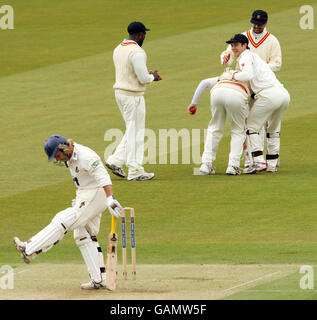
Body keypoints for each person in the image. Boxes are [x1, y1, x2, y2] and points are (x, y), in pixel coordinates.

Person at [13, 135, 123, 290]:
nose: (57, 159)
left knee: (63, 219)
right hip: (84, 194)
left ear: (64, 147)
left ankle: (29, 248)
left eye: (57, 155)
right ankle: (99, 279)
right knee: (82, 235)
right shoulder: (70, 157)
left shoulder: (86, 155)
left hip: (96, 193)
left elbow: (102, 175)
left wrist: (110, 198)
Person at [220, 10, 282, 171]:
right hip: (246, 88)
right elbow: (229, 52)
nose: (256, 26)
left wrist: (259, 70)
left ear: (266, 23)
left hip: (263, 87)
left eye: (259, 24)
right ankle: (250, 161)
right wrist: (224, 57)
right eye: (254, 23)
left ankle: (271, 163)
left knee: (268, 125)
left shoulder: (272, 41)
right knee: (249, 124)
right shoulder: (243, 37)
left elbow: (277, 63)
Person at [106, 21, 162, 181]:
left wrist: (147, 74)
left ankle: (115, 160)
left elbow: (131, 72)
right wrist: (153, 77)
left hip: (121, 93)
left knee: (132, 129)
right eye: (144, 34)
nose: (144, 36)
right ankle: (135, 169)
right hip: (132, 96)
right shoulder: (137, 51)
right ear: (139, 35)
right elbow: (143, 78)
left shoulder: (119, 48)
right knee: (135, 131)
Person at [187, 67, 251, 175]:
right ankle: (233, 165)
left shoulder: (226, 75)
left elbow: (204, 83)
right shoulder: (250, 78)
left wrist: (194, 102)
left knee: (214, 129)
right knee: (238, 131)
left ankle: (206, 164)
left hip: (217, 91)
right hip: (237, 94)